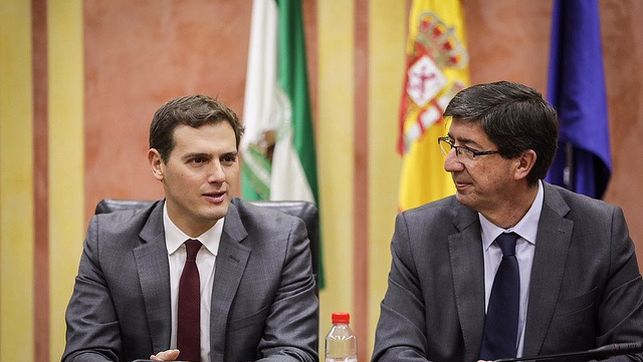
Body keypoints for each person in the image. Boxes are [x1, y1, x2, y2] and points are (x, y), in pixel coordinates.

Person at [372, 81, 643, 362]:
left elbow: (633, 351)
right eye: (452, 145)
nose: (450, 163)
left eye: (470, 150)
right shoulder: (419, 234)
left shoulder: (600, 231)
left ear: (523, 163)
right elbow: (394, 351)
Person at [62, 95, 318, 362]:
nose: (219, 176)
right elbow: (85, 353)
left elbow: (292, 352)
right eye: (198, 160)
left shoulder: (282, 241)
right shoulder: (109, 242)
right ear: (158, 164)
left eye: (228, 159)